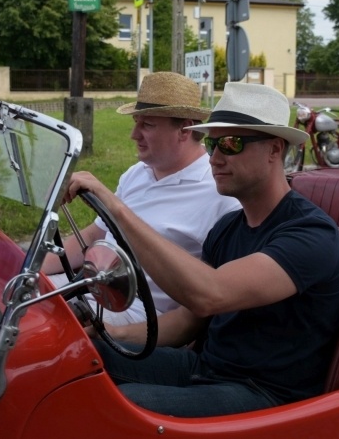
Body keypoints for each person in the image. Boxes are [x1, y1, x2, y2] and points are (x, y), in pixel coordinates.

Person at [64, 82, 339, 417]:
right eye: (213, 144)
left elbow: (209, 294)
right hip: (205, 369)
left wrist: (117, 208)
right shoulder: (228, 228)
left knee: (113, 407)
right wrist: (109, 332)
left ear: (274, 149)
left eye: (230, 143)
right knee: (73, 355)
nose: (214, 158)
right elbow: (189, 320)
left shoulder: (309, 235)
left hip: (266, 394)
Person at [44, 71, 240, 325]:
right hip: (97, 285)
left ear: (184, 129)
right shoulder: (138, 173)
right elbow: (95, 235)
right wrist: (33, 268)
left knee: (38, 329)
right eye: (136, 122)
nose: (134, 135)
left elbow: (214, 294)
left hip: (145, 313)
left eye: (146, 125)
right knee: (11, 295)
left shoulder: (219, 193)